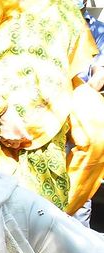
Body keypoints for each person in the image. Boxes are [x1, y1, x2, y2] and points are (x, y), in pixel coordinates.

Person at [0, 0, 97, 211]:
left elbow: (68, 78)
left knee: (39, 233)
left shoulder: (69, 11)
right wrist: (4, 114)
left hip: (46, 152)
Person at [66, 0, 104, 224]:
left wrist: (75, 100)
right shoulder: (46, 21)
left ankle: (77, 246)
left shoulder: (98, 30)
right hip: (46, 112)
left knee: (79, 179)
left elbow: (99, 76)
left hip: (79, 113)